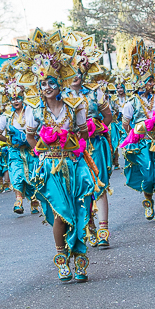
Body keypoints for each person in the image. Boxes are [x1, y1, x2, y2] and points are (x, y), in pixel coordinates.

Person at [16, 28, 97, 282]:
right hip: (50, 168)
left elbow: (83, 134)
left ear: (60, 83)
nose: (48, 87)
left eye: (52, 82)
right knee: (62, 213)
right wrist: (41, 151)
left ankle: (80, 258)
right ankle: (62, 258)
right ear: (38, 86)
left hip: (74, 166)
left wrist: (75, 148)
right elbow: (30, 137)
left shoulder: (75, 106)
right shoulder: (35, 110)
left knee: (81, 211)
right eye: (43, 83)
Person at [63, 32, 114, 246]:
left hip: (95, 145)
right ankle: (89, 226)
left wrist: (97, 127)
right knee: (81, 188)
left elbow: (108, 115)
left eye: (79, 68)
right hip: (73, 149)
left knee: (99, 185)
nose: (76, 74)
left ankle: (103, 229)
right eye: (71, 69)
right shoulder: (61, 97)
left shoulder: (95, 92)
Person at [119, 39, 155, 225]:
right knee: (148, 177)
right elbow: (125, 123)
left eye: (153, 79)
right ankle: (148, 200)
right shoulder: (132, 102)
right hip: (142, 144)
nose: (152, 83)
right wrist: (135, 136)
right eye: (148, 80)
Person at [0, 59, 43, 217]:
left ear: (23, 97)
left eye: (18, 98)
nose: (15, 101)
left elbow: (39, 128)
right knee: (16, 174)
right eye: (13, 99)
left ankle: (34, 201)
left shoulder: (30, 111)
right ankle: (18, 200)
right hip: (15, 152)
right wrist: (9, 140)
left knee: (33, 176)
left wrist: (32, 139)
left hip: (30, 149)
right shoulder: (6, 116)